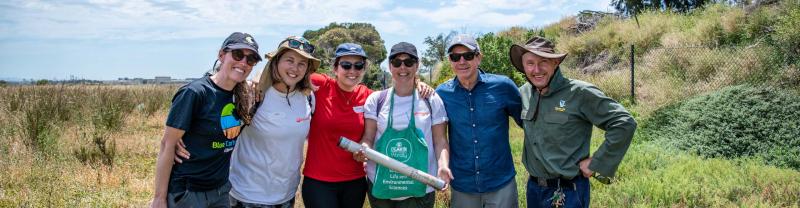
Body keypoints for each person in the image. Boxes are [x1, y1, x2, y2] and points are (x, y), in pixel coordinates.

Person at [301, 43, 434, 208]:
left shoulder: (370, 97)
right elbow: (287, 72)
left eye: (358, 66)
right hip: (319, 182)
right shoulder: (321, 85)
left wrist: (417, 82)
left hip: (355, 181)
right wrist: (258, 83)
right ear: (335, 68)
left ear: (364, 69)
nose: (352, 71)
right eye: (346, 65)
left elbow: (399, 89)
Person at [510, 36, 637, 208]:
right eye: (530, 63)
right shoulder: (523, 93)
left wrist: (596, 162)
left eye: (543, 62)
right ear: (523, 66)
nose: (536, 69)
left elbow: (624, 123)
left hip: (568, 192)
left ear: (556, 63)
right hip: (534, 189)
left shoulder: (579, 92)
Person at [151, 32, 262, 208]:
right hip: (188, 193)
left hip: (221, 190)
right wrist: (159, 198)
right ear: (221, 55)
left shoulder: (242, 96)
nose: (243, 62)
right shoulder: (195, 93)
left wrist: (256, 80)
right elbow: (167, 144)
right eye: (238, 54)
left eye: (251, 59)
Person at [354, 42, 452, 208]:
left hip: (421, 187)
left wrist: (443, 166)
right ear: (390, 66)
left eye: (408, 62)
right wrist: (362, 149)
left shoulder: (431, 99)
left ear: (417, 65)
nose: (403, 67)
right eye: (397, 62)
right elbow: (368, 137)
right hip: (381, 185)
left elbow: (440, 140)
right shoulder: (377, 100)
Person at [226, 36, 320, 208]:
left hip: (286, 196)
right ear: (276, 61)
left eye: (302, 63)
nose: (295, 68)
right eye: (289, 60)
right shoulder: (250, 93)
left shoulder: (308, 98)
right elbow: (212, 104)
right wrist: (180, 138)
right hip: (247, 196)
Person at [435, 34, 523, 208]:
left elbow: (528, 123)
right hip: (462, 185)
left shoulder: (503, 86)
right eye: (455, 57)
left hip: (501, 183)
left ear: (479, 57)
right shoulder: (441, 94)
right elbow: (440, 138)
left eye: (468, 55)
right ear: (450, 61)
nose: (462, 61)